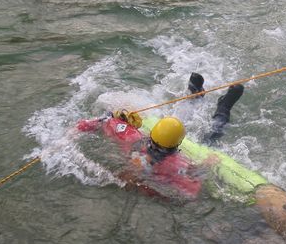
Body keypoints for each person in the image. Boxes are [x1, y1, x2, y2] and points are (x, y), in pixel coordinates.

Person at [77, 73, 245, 200]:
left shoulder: (132, 137)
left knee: (203, 130)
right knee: (212, 136)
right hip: (181, 154)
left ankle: (199, 96)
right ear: (178, 144)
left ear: (151, 135)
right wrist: (208, 164)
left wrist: (118, 115)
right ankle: (221, 105)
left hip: (148, 159)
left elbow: (102, 120)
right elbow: (193, 191)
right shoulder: (178, 164)